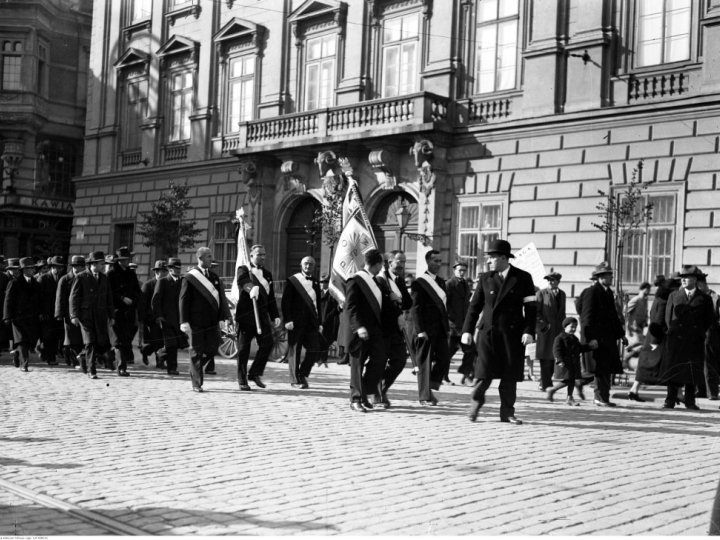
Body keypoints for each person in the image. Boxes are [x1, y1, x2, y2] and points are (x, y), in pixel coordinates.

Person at [461, 239, 536, 424]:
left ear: (503, 258)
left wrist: (528, 331)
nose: (488, 261)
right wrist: (467, 330)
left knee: (509, 376)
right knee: (483, 374)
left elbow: (532, 309)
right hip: (488, 334)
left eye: (492, 257)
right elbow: (474, 307)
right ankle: (474, 406)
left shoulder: (523, 278)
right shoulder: (485, 278)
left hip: (512, 335)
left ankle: (507, 413)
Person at [659, 265, 715, 410]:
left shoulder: (705, 298)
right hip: (676, 339)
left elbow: (708, 318)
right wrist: (674, 331)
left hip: (694, 339)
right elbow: (668, 318)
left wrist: (698, 332)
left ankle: (690, 401)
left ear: (695, 280)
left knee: (691, 371)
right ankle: (670, 399)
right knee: (674, 370)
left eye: (687, 278)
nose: (683, 280)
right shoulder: (674, 295)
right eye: (682, 278)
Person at [179, 247, 232, 392]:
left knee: (212, 349)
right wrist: (183, 321)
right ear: (200, 258)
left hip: (211, 321)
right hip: (195, 321)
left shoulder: (214, 278)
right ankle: (197, 383)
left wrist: (224, 317)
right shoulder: (190, 277)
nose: (211, 259)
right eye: (208, 256)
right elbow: (183, 300)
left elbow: (220, 299)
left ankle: (194, 369)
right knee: (196, 351)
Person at [345, 249, 389, 412]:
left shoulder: (376, 281)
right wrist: (359, 327)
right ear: (377, 264)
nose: (382, 268)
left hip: (375, 329)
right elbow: (350, 307)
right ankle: (355, 399)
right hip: (359, 330)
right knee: (357, 365)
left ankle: (364, 390)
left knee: (380, 358)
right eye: (381, 264)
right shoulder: (355, 280)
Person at [581, 262, 628, 407]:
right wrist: (591, 339)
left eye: (611, 275)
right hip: (597, 338)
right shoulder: (592, 292)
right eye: (608, 275)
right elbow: (586, 318)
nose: (611, 277)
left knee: (607, 368)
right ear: (600, 277)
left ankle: (604, 397)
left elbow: (613, 316)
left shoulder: (608, 292)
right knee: (600, 369)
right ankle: (599, 397)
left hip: (608, 338)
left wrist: (621, 334)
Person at [234, 245, 280, 391]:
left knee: (268, 344)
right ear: (251, 255)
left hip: (262, 316)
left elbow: (270, 296)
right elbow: (242, 281)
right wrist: (250, 288)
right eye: (259, 254)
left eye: (264, 254)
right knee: (243, 349)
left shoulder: (267, 274)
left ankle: (254, 373)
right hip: (246, 316)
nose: (262, 257)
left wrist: (275, 315)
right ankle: (242, 380)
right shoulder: (244, 269)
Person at [410, 250, 450, 406]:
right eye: (435, 261)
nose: (438, 264)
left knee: (444, 359)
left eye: (440, 261)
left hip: (439, 329)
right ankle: (425, 396)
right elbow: (415, 309)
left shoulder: (441, 282)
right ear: (427, 262)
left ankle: (432, 385)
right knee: (425, 364)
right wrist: (420, 330)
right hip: (425, 330)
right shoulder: (419, 283)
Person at [630, 277, 680, 401]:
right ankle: (678, 394)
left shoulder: (657, 299)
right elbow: (659, 320)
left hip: (651, 336)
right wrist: (656, 341)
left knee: (645, 365)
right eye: (676, 289)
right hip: (659, 338)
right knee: (671, 366)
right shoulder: (664, 301)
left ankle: (633, 389)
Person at [69, 251, 115, 379]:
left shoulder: (104, 278)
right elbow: (74, 298)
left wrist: (111, 316)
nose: (103, 266)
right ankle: (91, 370)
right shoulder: (81, 277)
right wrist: (74, 315)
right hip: (86, 316)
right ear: (93, 264)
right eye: (101, 264)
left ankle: (83, 357)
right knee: (90, 342)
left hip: (100, 316)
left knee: (100, 342)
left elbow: (109, 297)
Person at [375, 250, 412, 406]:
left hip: (396, 329)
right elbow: (382, 304)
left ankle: (380, 387)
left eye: (403, 262)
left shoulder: (400, 280)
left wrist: (398, 299)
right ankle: (377, 394)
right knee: (380, 361)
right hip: (383, 328)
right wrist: (394, 302)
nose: (401, 265)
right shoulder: (381, 279)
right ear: (389, 263)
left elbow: (408, 303)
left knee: (400, 361)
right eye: (398, 262)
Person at [281, 256, 322, 389]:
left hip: (311, 323)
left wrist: (319, 322)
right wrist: (287, 320)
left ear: (314, 266)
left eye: (310, 264)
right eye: (305, 264)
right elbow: (285, 302)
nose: (308, 266)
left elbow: (318, 305)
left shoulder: (316, 283)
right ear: (301, 265)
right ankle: (295, 380)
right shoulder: (293, 281)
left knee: (314, 349)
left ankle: (303, 373)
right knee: (295, 351)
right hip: (296, 322)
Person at [4, 257, 43, 371]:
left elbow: (40, 300)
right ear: (24, 270)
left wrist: (41, 312)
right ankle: (24, 364)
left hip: (32, 317)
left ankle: (16, 353)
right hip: (19, 317)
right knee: (22, 340)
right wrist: (7, 316)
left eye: (33, 269)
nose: (33, 271)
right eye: (31, 269)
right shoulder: (14, 283)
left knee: (31, 340)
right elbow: (8, 301)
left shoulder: (36, 283)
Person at [106, 247, 141, 369]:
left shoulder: (131, 273)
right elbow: (109, 292)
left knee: (126, 340)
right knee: (118, 341)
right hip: (116, 311)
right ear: (119, 260)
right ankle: (121, 367)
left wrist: (134, 300)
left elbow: (137, 290)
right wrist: (122, 298)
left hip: (129, 311)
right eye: (125, 259)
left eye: (128, 259)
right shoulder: (110, 274)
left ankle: (110, 358)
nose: (128, 261)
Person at [547, 317, 595, 405]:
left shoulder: (574, 339)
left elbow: (580, 348)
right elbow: (556, 350)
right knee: (569, 380)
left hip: (573, 363)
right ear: (565, 326)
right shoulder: (559, 338)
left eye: (575, 327)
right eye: (572, 327)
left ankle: (569, 398)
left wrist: (589, 346)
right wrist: (560, 360)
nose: (574, 329)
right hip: (565, 363)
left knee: (571, 380)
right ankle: (553, 390)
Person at [152, 257, 187, 376]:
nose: (178, 271)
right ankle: (172, 368)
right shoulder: (163, 281)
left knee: (177, 344)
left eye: (179, 269)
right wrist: (158, 316)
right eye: (175, 268)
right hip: (166, 319)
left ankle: (160, 353)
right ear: (170, 269)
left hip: (179, 319)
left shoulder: (182, 282)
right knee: (171, 344)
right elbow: (155, 301)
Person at [535, 272, 566, 392]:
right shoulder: (541, 293)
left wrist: (564, 328)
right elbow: (536, 312)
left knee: (554, 355)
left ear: (558, 281)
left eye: (553, 280)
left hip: (558, 331)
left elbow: (562, 313)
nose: (550, 282)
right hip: (545, 331)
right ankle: (546, 383)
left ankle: (545, 381)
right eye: (548, 280)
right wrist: (543, 325)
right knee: (545, 357)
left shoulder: (562, 294)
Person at [446, 261, 476, 385]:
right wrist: (454, 319)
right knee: (447, 354)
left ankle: (465, 374)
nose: (462, 272)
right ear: (454, 270)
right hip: (452, 326)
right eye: (460, 270)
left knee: (471, 351)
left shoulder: (465, 284)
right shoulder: (449, 284)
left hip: (463, 326)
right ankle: (443, 377)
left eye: (464, 270)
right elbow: (445, 305)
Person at [55, 255, 86, 371]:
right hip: (69, 314)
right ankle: (75, 361)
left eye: (82, 266)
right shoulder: (65, 279)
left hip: (83, 312)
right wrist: (59, 313)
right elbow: (60, 297)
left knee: (82, 337)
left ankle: (76, 356)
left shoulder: (85, 277)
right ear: (74, 267)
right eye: (79, 266)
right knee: (72, 338)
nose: (81, 269)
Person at [138, 260, 168, 368]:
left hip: (164, 317)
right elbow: (142, 303)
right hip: (151, 319)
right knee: (156, 342)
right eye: (162, 271)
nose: (165, 273)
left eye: (166, 271)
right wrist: (143, 319)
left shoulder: (167, 284)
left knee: (163, 341)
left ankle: (155, 357)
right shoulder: (148, 285)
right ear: (156, 272)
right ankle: (153, 357)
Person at [696, 273, 720, 401]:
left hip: (710, 334)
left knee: (709, 363)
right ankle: (700, 390)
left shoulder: (714, 297)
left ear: (701, 284)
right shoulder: (697, 297)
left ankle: (712, 392)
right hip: (698, 333)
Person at [38, 255, 65, 366]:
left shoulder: (63, 278)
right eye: (56, 267)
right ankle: (50, 357)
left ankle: (47, 353)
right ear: (51, 267)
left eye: (60, 268)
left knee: (56, 336)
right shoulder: (43, 278)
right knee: (47, 336)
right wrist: (41, 312)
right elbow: (39, 297)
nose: (58, 270)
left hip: (58, 312)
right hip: (47, 313)